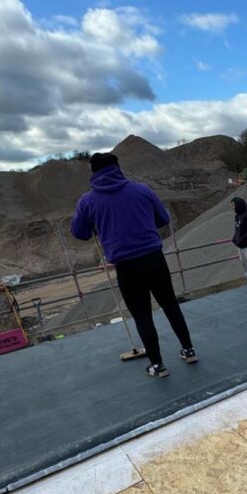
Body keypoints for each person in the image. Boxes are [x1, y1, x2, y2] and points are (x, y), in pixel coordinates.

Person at [71, 152, 197, 377]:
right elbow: (163, 219)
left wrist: (96, 223)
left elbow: (79, 233)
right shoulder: (142, 190)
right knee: (170, 305)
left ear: (93, 173)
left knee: (142, 316)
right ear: (118, 168)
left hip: (126, 266)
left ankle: (158, 365)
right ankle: (189, 350)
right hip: (153, 257)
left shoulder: (87, 201)